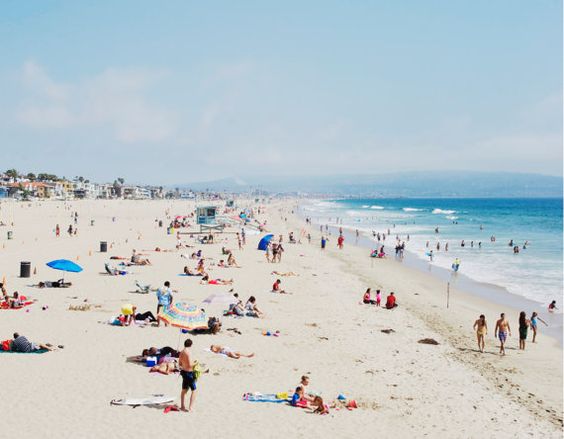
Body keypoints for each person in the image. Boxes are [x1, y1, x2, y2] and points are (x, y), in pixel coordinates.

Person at [179, 339, 197, 412]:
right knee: (194, 390)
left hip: (183, 372)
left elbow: (180, 363)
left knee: (184, 390)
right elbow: (190, 365)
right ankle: (190, 408)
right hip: (189, 373)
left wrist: (184, 364)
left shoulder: (181, 352)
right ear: (191, 345)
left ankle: (182, 406)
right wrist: (195, 363)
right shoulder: (188, 352)